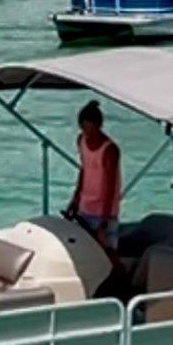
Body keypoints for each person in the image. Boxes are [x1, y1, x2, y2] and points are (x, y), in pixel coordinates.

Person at [65, 100, 122, 262]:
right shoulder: (81, 140)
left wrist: (104, 219)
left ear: (99, 125)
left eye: (91, 128)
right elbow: (84, 170)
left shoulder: (110, 150)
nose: (88, 133)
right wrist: (75, 199)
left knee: (108, 252)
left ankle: (120, 281)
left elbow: (110, 186)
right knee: (84, 251)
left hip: (104, 210)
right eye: (84, 128)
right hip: (84, 206)